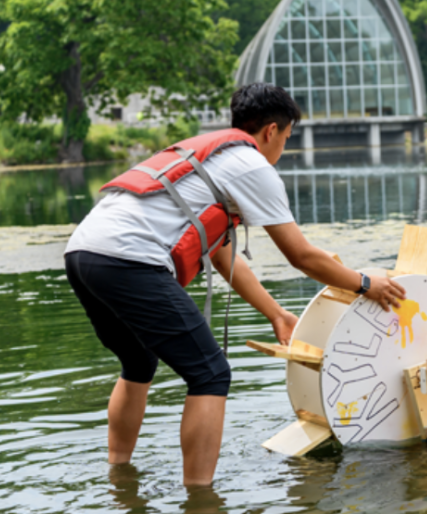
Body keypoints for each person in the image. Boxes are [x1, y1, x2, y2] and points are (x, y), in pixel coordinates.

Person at [64, 83, 406, 486]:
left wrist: (276, 313)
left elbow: (225, 258)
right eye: (287, 138)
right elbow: (301, 255)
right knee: (210, 374)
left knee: (139, 363)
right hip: (129, 258)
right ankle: (200, 498)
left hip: (83, 254)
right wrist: (367, 284)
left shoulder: (210, 156)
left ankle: (118, 476)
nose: (283, 149)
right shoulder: (253, 165)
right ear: (271, 131)